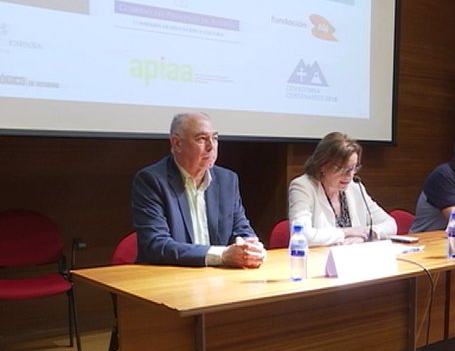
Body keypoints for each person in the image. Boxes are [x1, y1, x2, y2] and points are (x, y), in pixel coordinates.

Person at [131, 112, 266, 267]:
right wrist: (221, 255)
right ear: (177, 144)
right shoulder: (151, 181)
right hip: (168, 278)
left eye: (214, 138)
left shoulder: (227, 180)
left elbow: (241, 229)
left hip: (216, 280)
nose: (211, 147)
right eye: (201, 139)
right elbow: (156, 245)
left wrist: (250, 248)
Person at [288, 131, 396, 246]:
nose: (350, 176)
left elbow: (390, 224)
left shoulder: (355, 188)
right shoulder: (303, 187)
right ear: (323, 165)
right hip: (318, 260)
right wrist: (346, 232)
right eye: (344, 169)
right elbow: (301, 235)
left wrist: (368, 234)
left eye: (354, 168)